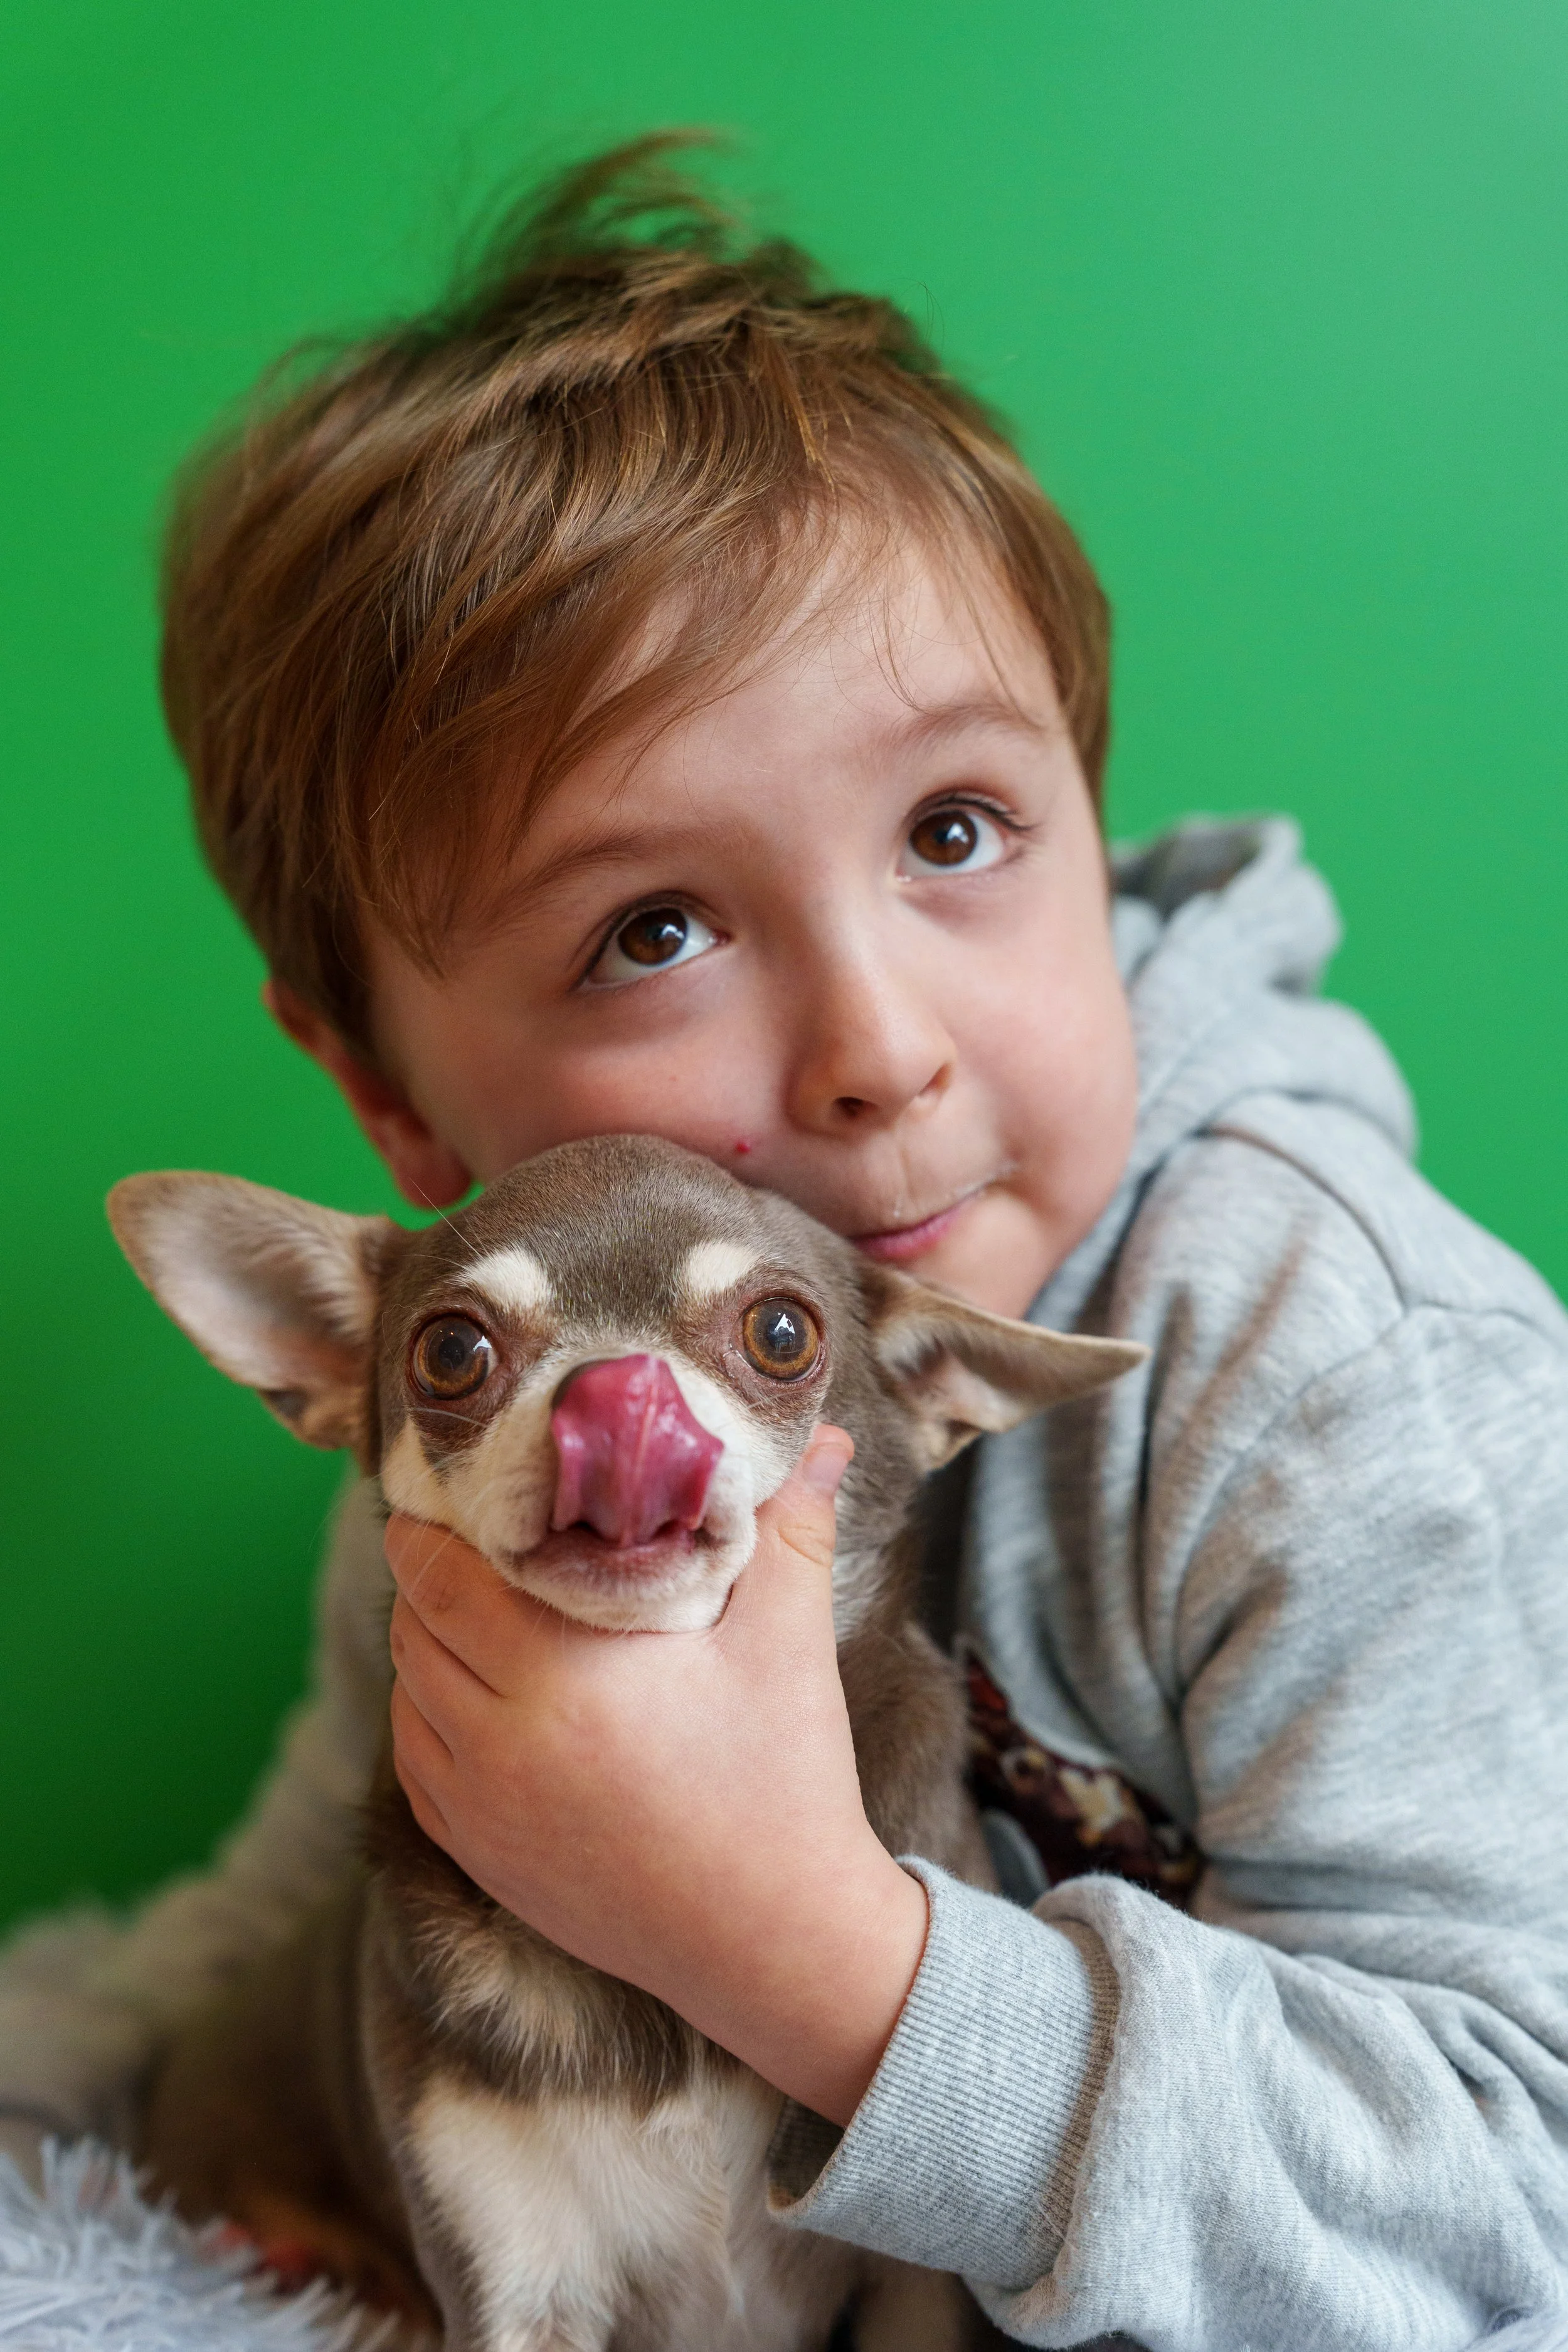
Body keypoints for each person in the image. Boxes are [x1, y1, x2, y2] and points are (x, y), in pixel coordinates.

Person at [4, 136, 1567, 2350]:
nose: (876, 1047)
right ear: (387, 1098)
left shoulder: (1319, 1374)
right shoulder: (487, 1430)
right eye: (654, 928)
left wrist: (823, 1960)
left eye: (953, 829)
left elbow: (1524, 2183)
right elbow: (307, 1907)